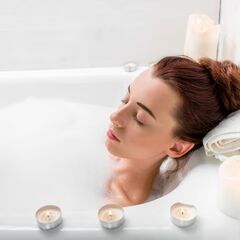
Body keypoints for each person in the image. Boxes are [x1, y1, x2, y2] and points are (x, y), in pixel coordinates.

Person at [104, 55, 240, 207]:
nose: (115, 116)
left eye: (140, 119)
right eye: (125, 99)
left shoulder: (118, 205)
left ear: (176, 147)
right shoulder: (106, 157)